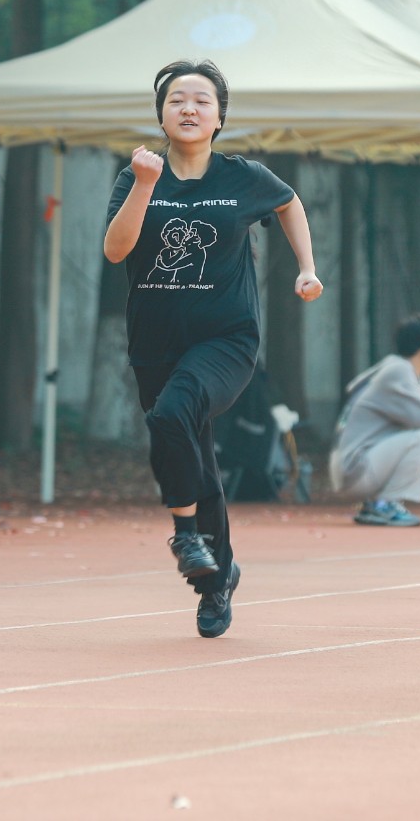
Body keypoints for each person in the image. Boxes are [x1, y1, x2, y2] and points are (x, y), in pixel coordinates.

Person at [104, 59, 323, 637]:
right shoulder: (137, 176)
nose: (189, 108)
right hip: (155, 342)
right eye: (177, 100)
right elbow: (116, 249)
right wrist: (145, 184)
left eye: (202, 100)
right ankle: (217, 580)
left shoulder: (242, 177)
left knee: (172, 415)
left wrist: (306, 267)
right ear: (161, 115)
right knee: (192, 450)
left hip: (226, 339)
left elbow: (289, 202)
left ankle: (185, 535)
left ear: (219, 117)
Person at [330, 313, 420, 527]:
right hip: (355, 470)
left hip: (355, 468)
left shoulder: (402, 373)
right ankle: (385, 505)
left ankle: (377, 506)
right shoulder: (399, 371)